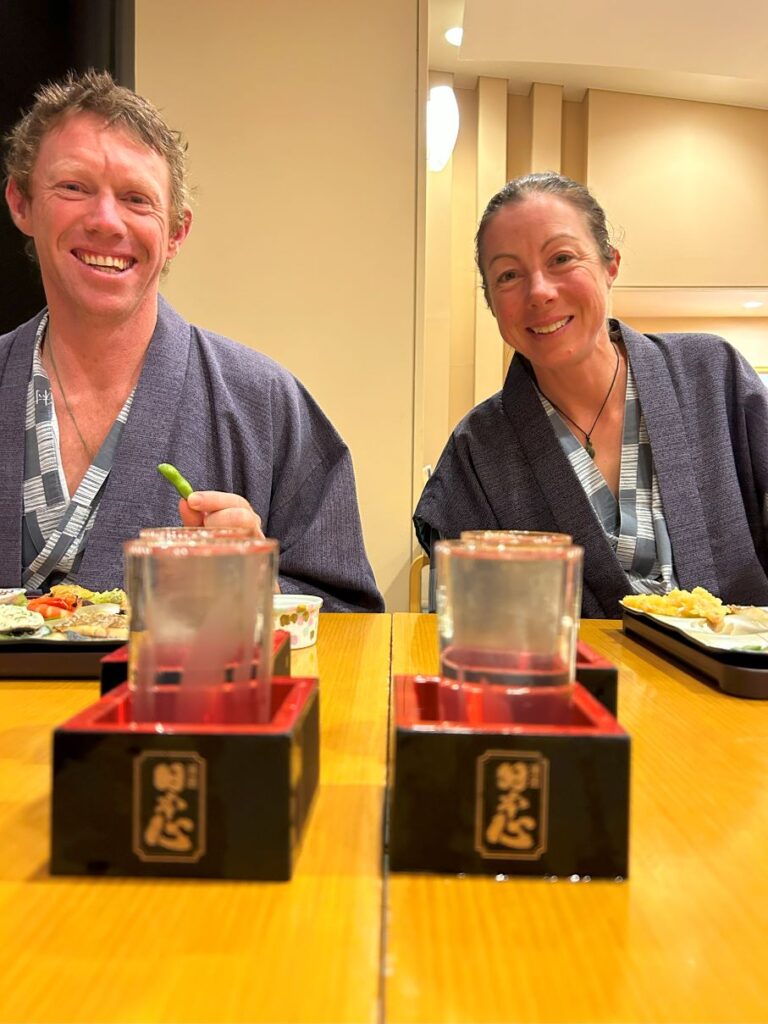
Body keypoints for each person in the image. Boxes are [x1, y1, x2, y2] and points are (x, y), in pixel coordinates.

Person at [1, 70, 383, 612]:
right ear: (22, 204)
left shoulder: (264, 403)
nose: (107, 221)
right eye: (73, 187)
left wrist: (260, 589)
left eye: (137, 199)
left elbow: (352, 617)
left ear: (177, 231)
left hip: (186, 699)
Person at [414, 172, 768, 617]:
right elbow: (476, 625)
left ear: (610, 264)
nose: (539, 291)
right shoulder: (478, 449)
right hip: (577, 684)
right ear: (491, 302)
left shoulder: (712, 375)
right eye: (508, 275)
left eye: (561, 258)